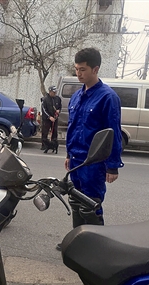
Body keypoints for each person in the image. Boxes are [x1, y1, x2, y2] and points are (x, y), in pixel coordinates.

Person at [59, 47, 124, 250]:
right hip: (76, 160)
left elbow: (113, 131)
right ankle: (78, 243)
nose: (78, 73)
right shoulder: (77, 96)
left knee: (90, 205)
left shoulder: (107, 97)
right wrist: (69, 154)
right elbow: (73, 128)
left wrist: (112, 166)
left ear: (95, 69)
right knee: (76, 202)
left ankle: (98, 249)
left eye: (83, 69)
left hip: (94, 162)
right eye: (76, 69)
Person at [40, 86, 62, 150]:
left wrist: (58, 111)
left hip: (55, 118)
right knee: (45, 132)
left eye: (55, 92)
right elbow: (44, 109)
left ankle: (53, 145)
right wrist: (49, 117)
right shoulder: (45, 99)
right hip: (47, 119)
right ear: (50, 92)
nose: (55, 93)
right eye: (53, 92)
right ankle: (44, 145)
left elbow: (60, 106)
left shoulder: (58, 99)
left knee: (54, 131)